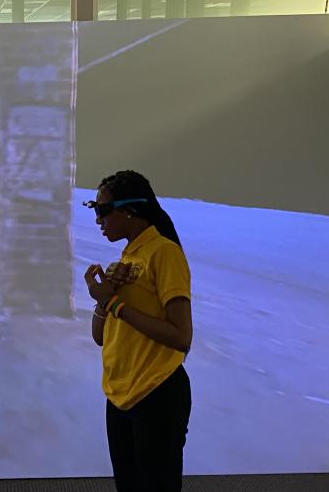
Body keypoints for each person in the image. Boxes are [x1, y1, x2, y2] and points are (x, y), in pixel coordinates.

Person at [83, 170, 193, 491]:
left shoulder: (164, 253)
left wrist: (117, 306)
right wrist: (103, 301)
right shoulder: (126, 258)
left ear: (129, 210)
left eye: (102, 210)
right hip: (119, 396)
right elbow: (100, 337)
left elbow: (181, 336)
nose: (98, 220)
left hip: (156, 393)